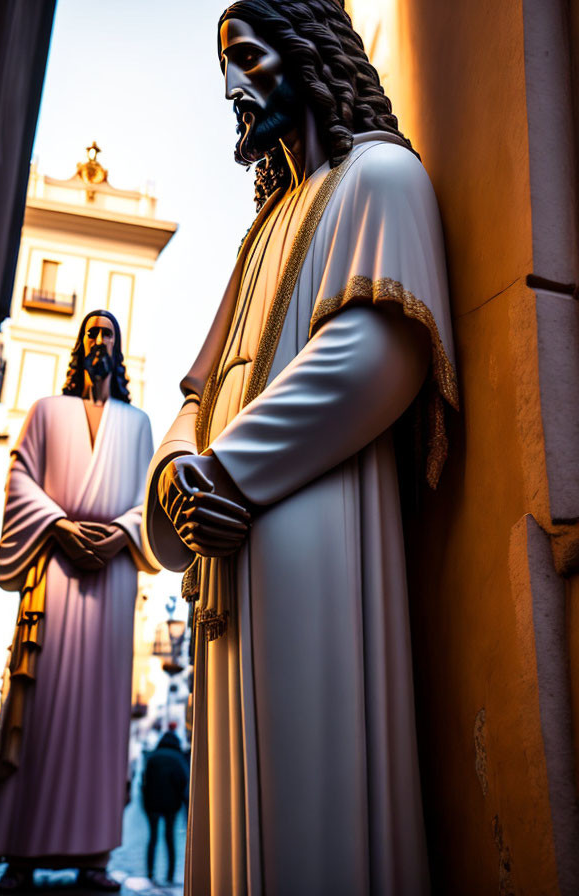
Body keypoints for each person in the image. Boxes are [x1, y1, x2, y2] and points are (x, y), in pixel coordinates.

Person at [143, 1, 458, 893]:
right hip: (222, 547)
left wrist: (229, 474)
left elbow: (381, 353)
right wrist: (176, 474)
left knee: (314, 787)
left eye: (248, 57)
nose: (236, 87)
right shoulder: (257, 239)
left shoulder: (383, 177)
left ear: (309, 50)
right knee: (234, 803)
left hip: (315, 518)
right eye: (225, 71)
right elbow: (197, 393)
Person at [0, 310, 157, 893]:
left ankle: (93, 854)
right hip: (53, 568)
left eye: (108, 335)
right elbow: (21, 477)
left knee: (102, 720)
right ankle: (23, 852)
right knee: (47, 709)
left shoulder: (139, 424)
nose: (99, 342)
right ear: (79, 346)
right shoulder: (46, 413)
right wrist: (57, 526)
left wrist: (124, 531)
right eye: (92, 334)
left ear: (118, 350)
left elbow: (150, 493)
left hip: (115, 574)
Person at [141, 731, 189, 885]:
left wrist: (146, 803)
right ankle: (170, 875)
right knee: (170, 839)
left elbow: (144, 782)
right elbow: (183, 782)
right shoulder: (178, 758)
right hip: (171, 805)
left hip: (152, 805)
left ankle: (149, 872)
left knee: (153, 838)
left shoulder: (153, 757)